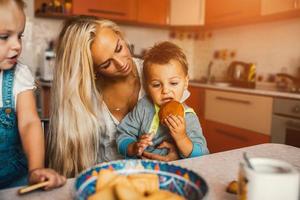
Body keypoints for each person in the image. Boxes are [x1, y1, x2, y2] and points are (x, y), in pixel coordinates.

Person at [46, 16, 179, 178]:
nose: (121, 63)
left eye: (119, 48)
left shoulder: (156, 72)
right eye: (106, 64)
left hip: (155, 176)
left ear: (120, 36)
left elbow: (184, 120)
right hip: (105, 179)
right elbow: (71, 164)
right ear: (92, 70)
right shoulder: (83, 97)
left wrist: (177, 151)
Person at [0, 0, 66, 189]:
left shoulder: (19, 75)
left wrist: (36, 169)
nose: (17, 46)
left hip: (15, 181)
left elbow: (29, 122)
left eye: (19, 36)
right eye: (4, 36)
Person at [116, 41, 209, 159]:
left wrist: (182, 138)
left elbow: (203, 154)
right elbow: (122, 134)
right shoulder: (144, 107)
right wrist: (133, 147)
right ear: (147, 86)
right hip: (140, 169)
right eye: (156, 85)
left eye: (173, 83)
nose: (165, 90)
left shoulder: (188, 116)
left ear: (185, 83)